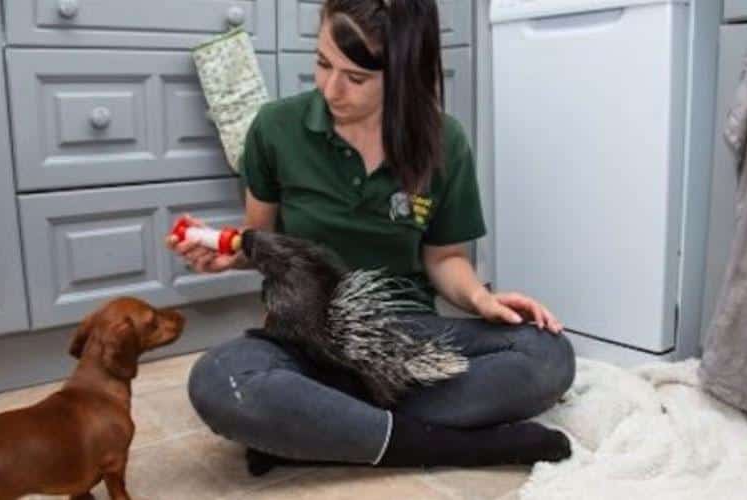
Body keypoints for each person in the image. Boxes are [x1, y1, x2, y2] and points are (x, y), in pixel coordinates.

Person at [167, 0, 576, 474]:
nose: (330, 88)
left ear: (404, 76)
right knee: (218, 379)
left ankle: (321, 427)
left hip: (405, 336)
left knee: (547, 356)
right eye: (322, 64)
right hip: (304, 339)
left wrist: (481, 299)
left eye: (356, 78)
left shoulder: (445, 141)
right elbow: (261, 243)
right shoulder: (274, 129)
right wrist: (226, 255)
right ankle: (464, 446)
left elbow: (444, 257)